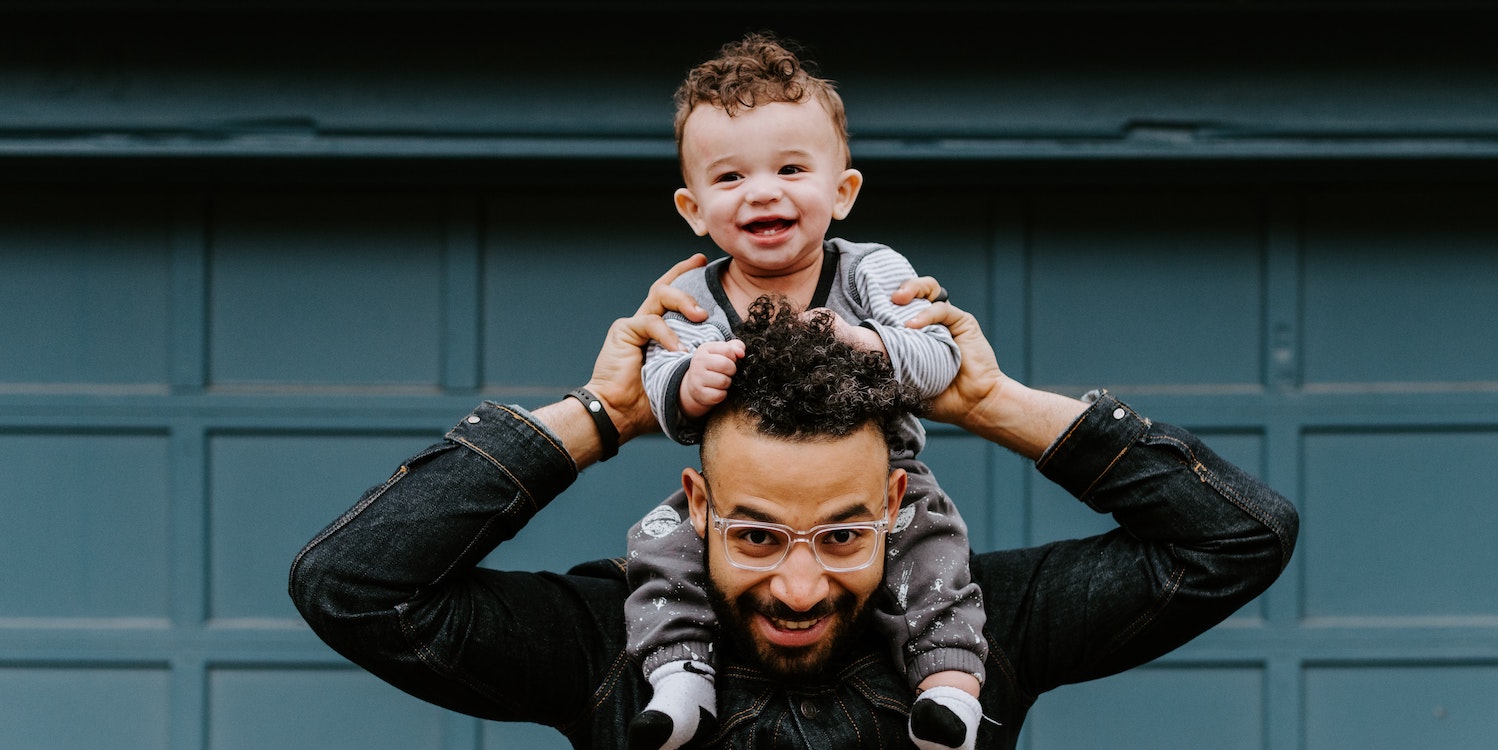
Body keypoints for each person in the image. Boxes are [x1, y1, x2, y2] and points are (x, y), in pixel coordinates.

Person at [288, 254, 1300, 750]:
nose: (802, 584)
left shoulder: (982, 631)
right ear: (696, 504)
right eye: (758, 535)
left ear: (898, 499)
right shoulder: (609, 646)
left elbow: (1237, 537)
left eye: (845, 533)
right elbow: (355, 586)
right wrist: (605, 413)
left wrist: (991, 403)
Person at [628, 32, 983, 750]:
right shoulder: (692, 294)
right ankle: (680, 676)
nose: (762, 191)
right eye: (729, 179)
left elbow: (940, 358)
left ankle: (948, 691)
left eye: (791, 169)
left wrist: (872, 343)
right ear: (694, 209)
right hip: (739, 491)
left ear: (842, 191)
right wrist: (688, 384)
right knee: (658, 547)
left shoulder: (870, 273)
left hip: (886, 475)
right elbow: (658, 379)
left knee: (935, 554)